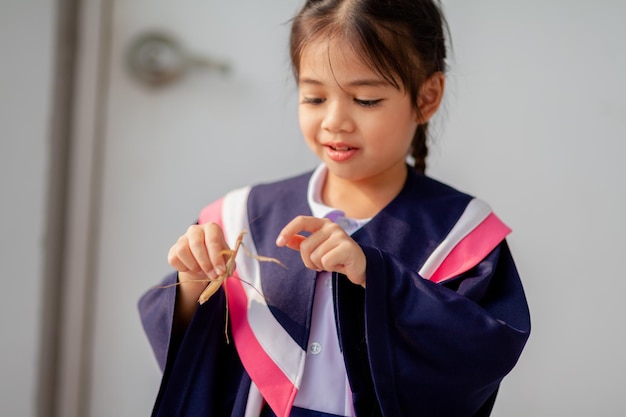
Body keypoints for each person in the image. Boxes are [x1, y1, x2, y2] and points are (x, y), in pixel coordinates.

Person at [138, 0, 531, 416]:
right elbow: (187, 351)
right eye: (314, 97)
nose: (335, 121)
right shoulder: (244, 215)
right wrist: (193, 284)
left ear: (427, 96)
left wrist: (378, 278)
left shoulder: (460, 233)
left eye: (365, 100)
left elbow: (481, 351)